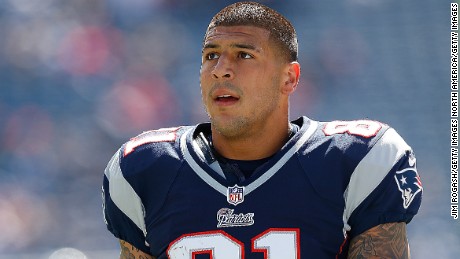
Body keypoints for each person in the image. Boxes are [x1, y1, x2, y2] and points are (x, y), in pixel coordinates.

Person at [102, 2, 422, 258]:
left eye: (244, 55)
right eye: (211, 56)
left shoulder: (356, 159)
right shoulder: (144, 168)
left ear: (289, 78)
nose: (221, 70)